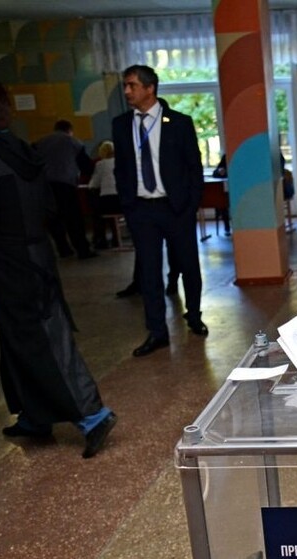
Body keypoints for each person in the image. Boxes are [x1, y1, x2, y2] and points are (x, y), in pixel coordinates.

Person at [0, 81, 116, 458]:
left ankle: (93, 415)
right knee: (20, 337)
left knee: (40, 339)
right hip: (37, 255)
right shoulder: (23, 150)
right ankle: (34, 417)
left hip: (9, 262)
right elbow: (48, 208)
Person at [111, 64, 207, 357]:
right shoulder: (120, 124)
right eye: (125, 86)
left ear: (150, 88)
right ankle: (157, 331)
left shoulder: (178, 122)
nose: (127, 91)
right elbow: (121, 168)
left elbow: (194, 167)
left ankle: (194, 315)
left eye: (132, 85)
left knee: (188, 265)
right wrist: (127, 203)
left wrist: (190, 205)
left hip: (175, 208)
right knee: (149, 272)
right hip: (141, 210)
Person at [33, 119, 96, 259]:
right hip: (66, 184)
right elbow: (86, 166)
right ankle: (82, 250)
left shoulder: (40, 142)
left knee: (54, 219)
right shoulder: (73, 142)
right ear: (69, 130)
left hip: (46, 186)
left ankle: (63, 248)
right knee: (74, 219)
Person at [88, 139, 120, 248]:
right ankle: (117, 239)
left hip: (107, 201)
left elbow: (94, 184)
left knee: (97, 214)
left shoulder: (100, 164)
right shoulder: (121, 162)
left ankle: (101, 240)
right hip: (121, 200)